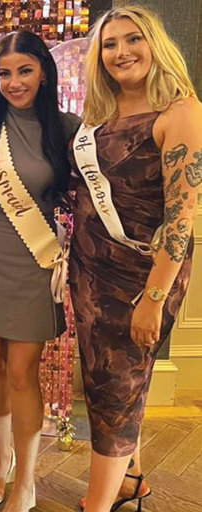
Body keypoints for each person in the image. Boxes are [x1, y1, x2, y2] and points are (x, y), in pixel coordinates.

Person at [69, 6, 202, 512]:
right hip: (90, 271)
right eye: (110, 44)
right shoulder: (100, 115)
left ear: (155, 45)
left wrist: (152, 299)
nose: (122, 52)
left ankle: (97, 505)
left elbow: (181, 219)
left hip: (142, 277)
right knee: (117, 383)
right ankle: (130, 483)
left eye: (133, 40)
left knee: (113, 388)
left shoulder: (181, 112)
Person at [0, 31, 80, 512]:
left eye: (24, 70)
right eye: (3, 73)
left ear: (43, 71)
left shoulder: (67, 128)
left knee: (24, 372)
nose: (13, 82)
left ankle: (26, 480)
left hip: (34, 254)